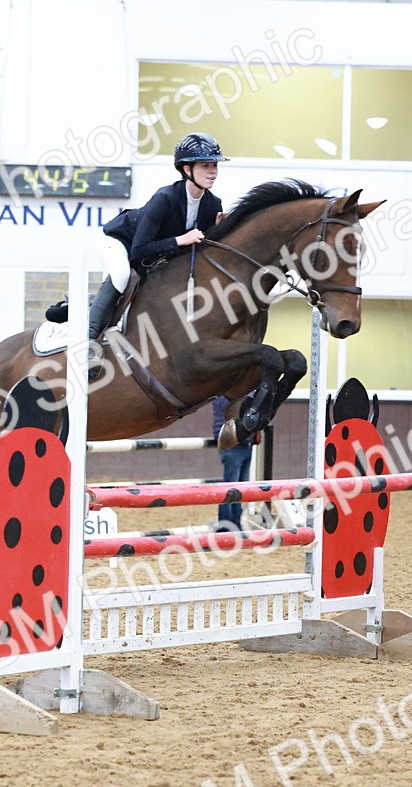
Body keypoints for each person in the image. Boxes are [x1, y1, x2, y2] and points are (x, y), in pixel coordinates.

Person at [86, 132, 227, 377]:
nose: (213, 171)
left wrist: (220, 231)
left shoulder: (213, 204)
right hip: (120, 242)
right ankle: (88, 341)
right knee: (121, 274)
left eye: (214, 165)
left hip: (154, 255)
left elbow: (200, 249)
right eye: (205, 165)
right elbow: (139, 250)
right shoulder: (165, 198)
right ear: (186, 169)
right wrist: (180, 240)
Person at [212, 395, 256, 531]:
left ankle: (234, 524)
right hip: (234, 443)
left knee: (238, 489)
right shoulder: (227, 394)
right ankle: (226, 526)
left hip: (243, 442)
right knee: (230, 489)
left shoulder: (229, 393)